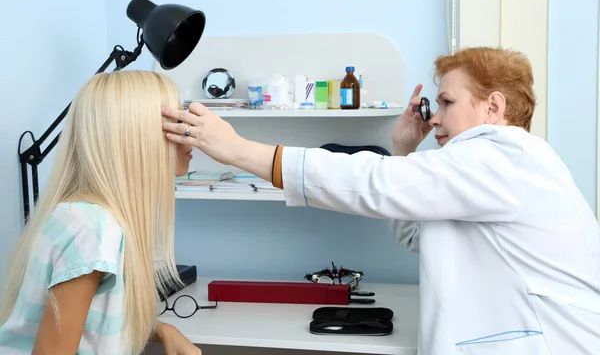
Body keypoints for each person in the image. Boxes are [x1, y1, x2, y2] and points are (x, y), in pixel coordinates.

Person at [162, 47, 600, 355]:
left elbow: (378, 184)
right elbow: (417, 233)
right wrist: (404, 149)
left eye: (447, 102)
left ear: (493, 107)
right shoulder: (490, 170)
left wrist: (240, 151)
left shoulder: (503, 156)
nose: (435, 117)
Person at [0, 71, 201, 354]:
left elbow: (91, 323)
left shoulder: (81, 217)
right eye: (177, 124)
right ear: (138, 138)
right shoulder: (94, 230)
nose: (189, 137)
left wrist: (160, 330)